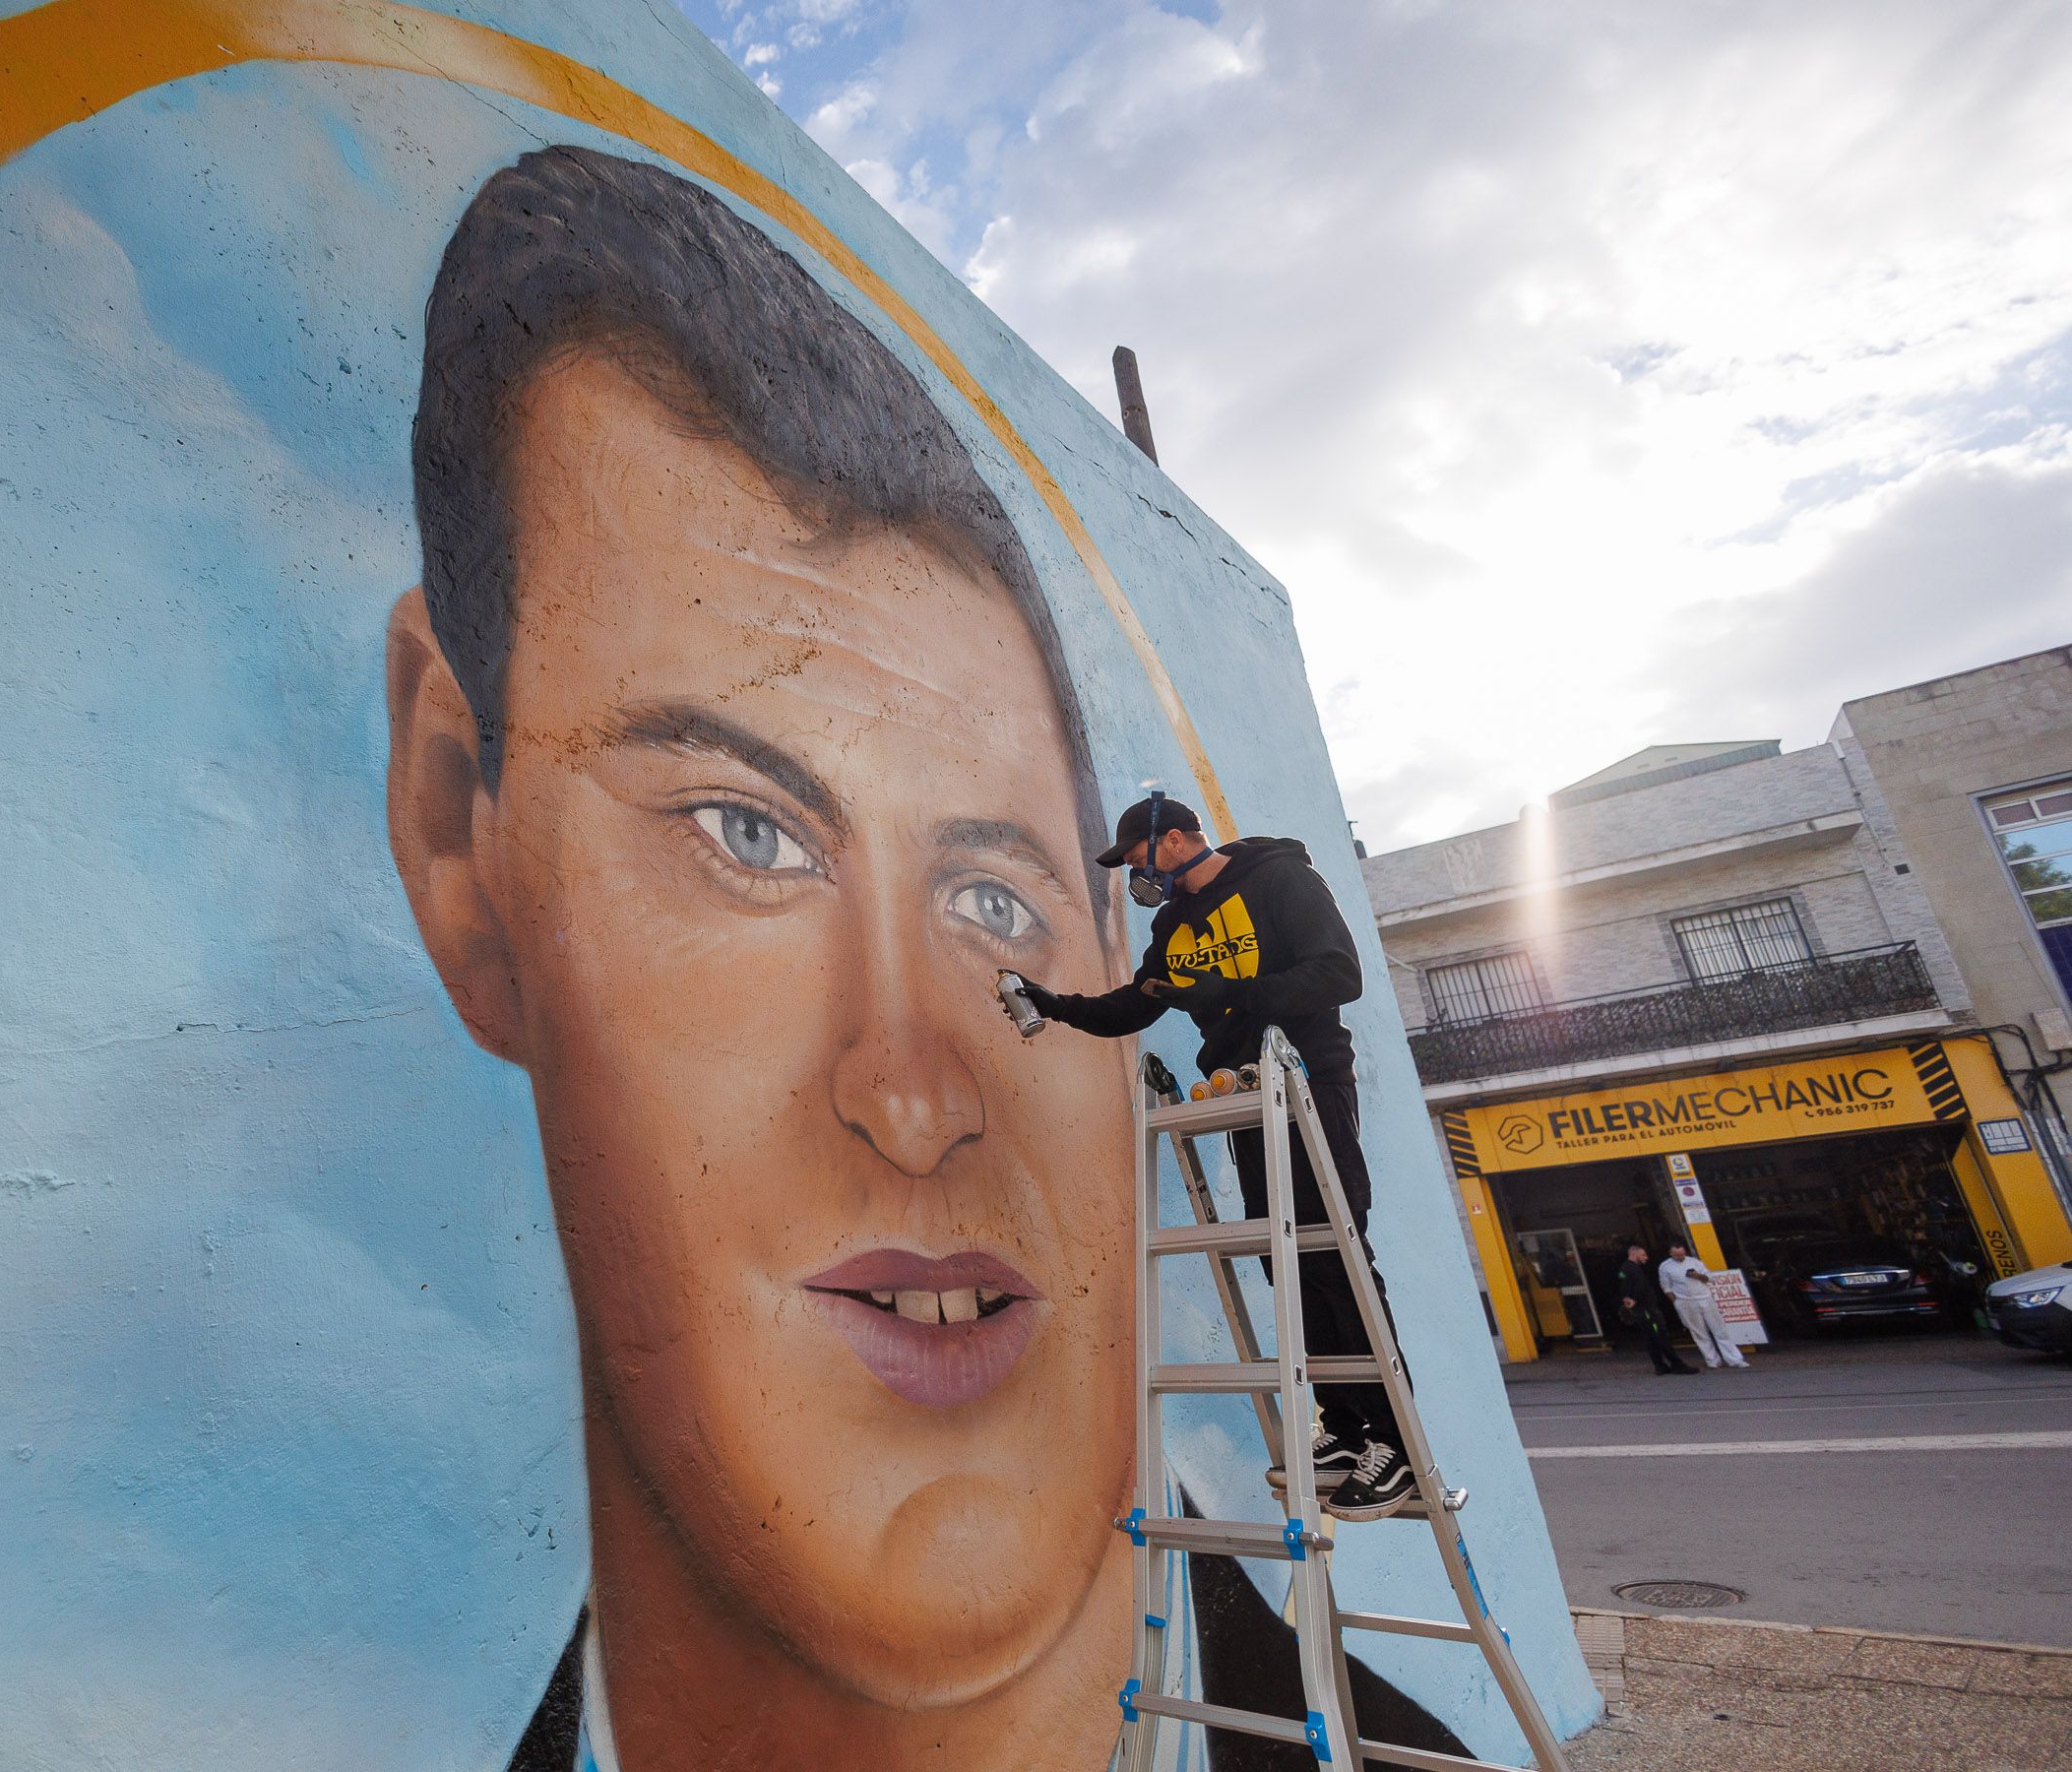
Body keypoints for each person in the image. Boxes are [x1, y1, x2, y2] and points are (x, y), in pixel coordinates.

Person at [387, 146, 1469, 1770]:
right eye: (746, 832)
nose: (916, 1094)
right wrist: (1064, 998)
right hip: (1245, 1083)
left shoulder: (1257, 892)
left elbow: (1274, 982)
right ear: (452, 833)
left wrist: (1229, 1022)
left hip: (1295, 1097)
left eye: (989, 893)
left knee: (1324, 1265)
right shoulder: (1161, 945)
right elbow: (1138, 1000)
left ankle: (1363, 1443)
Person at [1011, 794, 1418, 1523]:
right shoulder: (1174, 925)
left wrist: (1234, 991)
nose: (1137, 875)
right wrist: (1058, 1004)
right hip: (1247, 1099)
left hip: (1306, 1082)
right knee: (1283, 1261)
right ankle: (1348, 1429)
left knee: (1335, 1253)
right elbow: (1137, 1004)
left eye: (1138, 858)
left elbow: (1338, 973)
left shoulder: (1279, 882)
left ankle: (1397, 1447)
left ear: (1172, 842)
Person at [1661, 1241, 1749, 1369]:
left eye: (1682, 1254)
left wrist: (1697, 1275)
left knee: (1720, 1330)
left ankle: (1734, 1359)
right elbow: (1666, 1287)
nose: (1681, 1257)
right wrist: (1676, 1303)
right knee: (1699, 1333)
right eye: (1677, 1255)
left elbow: (1710, 1278)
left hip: (1705, 1298)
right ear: (1671, 1254)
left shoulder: (1694, 1262)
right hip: (1685, 1301)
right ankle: (1712, 1360)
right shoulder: (1665, 1266)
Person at [1615, 1245, 1697, 1375]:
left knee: (1650, 1338)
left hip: (1644, 1309)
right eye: (1643, 1255)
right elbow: (1632, 1289)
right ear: (1634, 1254)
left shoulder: (1628, 1269)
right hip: (1646, 1310)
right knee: (1660, 1335)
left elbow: (1625, 1288)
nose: (1646, 1258)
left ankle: (1660, 1366)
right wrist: (1633, 1299)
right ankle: (1677, 1364)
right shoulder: (1630, 1269)